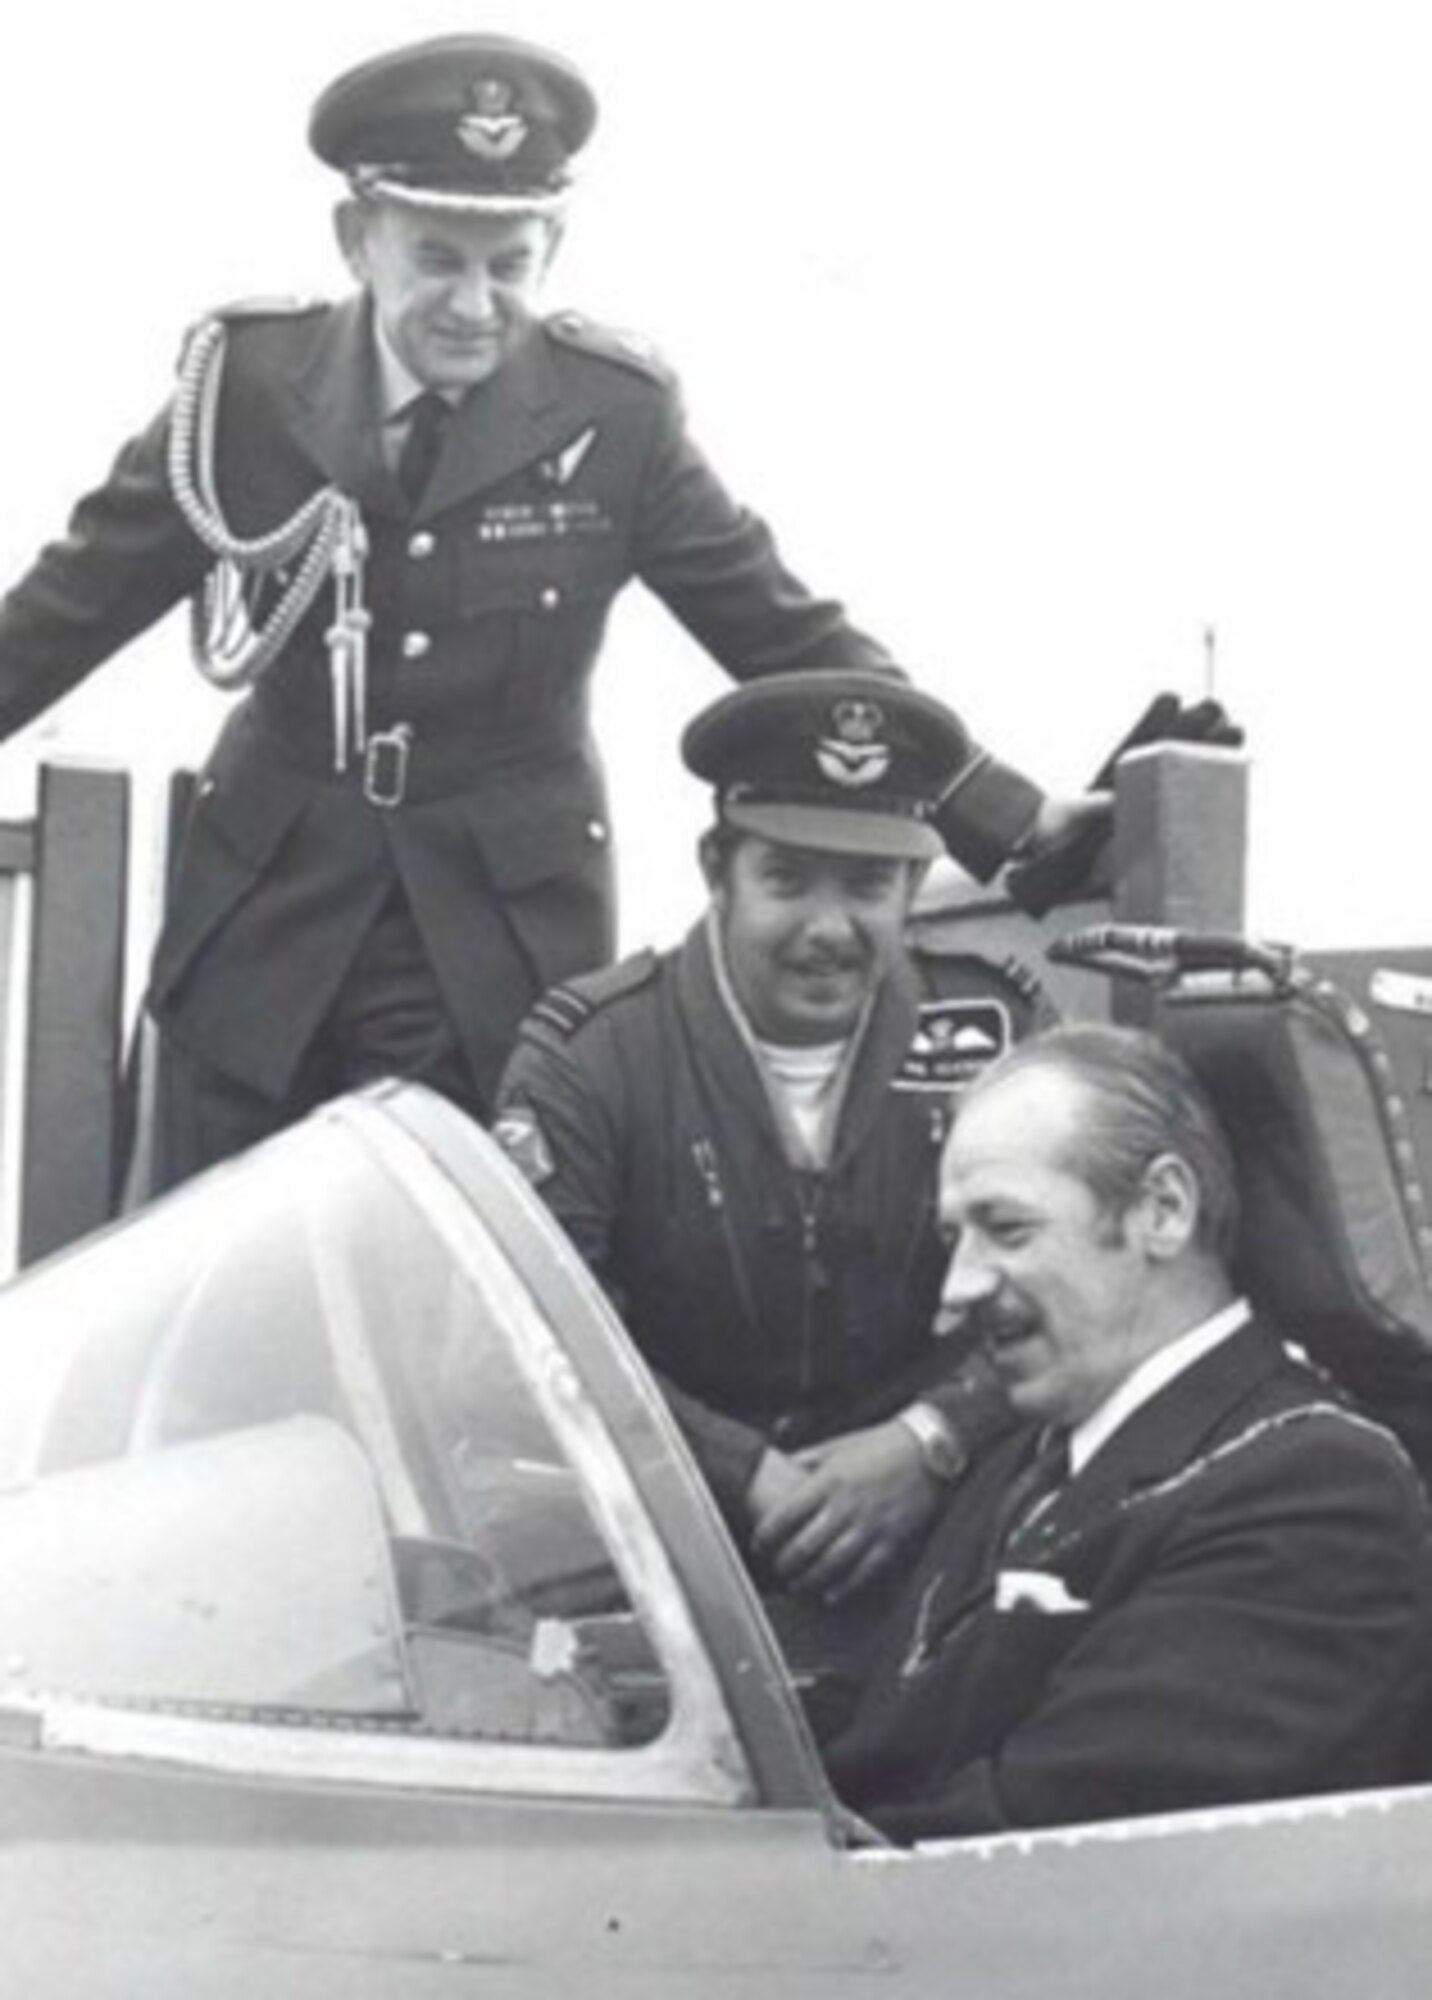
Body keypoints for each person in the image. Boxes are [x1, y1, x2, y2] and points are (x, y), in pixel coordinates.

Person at [0, 32, 1096, 1191]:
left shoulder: (612, 415)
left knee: (450, 1282)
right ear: (355, 240)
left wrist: (1006, 815)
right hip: (270, 921)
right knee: (213, 1267)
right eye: (437, 259)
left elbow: (778, 627)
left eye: (509, 265)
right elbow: (73, 602)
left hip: (488, 936)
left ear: (550, 248)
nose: (476, 304)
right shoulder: (245, 389)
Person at [495, 669, 1038, 1653]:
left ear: (913, 886)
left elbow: (1078, 1285)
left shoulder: (997, 1030)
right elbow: (531, 1333)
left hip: (933, 1537)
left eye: (869, 884)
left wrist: (931, 1441)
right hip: (661, 1537)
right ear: (718, 866)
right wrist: (742, 1472)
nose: (830, 930)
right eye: (787, 877)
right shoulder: (588, 1054)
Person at [823, 1023, 1432, 1840]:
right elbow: (871, 1715)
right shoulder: (1035, 1450)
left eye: (1006, 1229)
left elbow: (1037, 1841)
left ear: (1164, 1211)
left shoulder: (1314, 1491)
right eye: (952, 1238)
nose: (957, 1288)